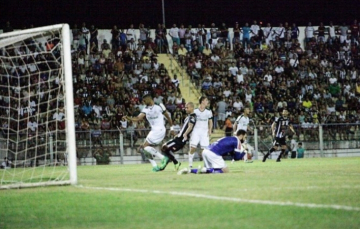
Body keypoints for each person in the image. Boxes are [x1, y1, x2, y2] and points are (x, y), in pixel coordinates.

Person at [126, 94, 173, 172]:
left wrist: (172, 128)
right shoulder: (145, 109)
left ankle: (163, 158)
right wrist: (128, 118)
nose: (143, 102)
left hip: (159, 130)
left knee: (144, 147)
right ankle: (155, 166)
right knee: (144, 148)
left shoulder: (159, 106)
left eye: (144, 100)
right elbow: (137, 118)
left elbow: (168, 116)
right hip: (154, 131)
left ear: (150, 99)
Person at [178, 130, 249, 174]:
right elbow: (236, 158)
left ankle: (189, 171)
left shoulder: (230, 138)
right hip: (213, 153)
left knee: (208, 171)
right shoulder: (237, 141)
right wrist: (244, 151)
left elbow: (232, 154)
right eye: (245, 137)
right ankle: (202, 170)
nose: (244, 139)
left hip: (206, 151)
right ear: (241, 136)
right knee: (225, 170)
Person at [159, 102, 196, 171]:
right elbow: (184, 128)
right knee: (165, 148)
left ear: (192, 108)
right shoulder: (188, 117)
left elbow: (190, 127)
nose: (185, 109)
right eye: (185, 107)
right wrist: (178, 134)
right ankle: (175, 163)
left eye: (187, 107)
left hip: (181, 140)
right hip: (178, 138)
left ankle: (173, 163)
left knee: (165, 147)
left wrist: (185, 134)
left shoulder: (193, 117)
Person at [188, 96, 213, 169]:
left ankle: (206, 165)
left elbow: (210, 121)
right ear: (202, 101)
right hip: (196, 131)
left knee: (204, 150)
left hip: (204, 132)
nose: (207, 102)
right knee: (193, 147)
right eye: (206, 100)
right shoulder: (195, 111)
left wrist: (210, 130)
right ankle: (190, 162)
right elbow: (191, 121)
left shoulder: (208, 111)